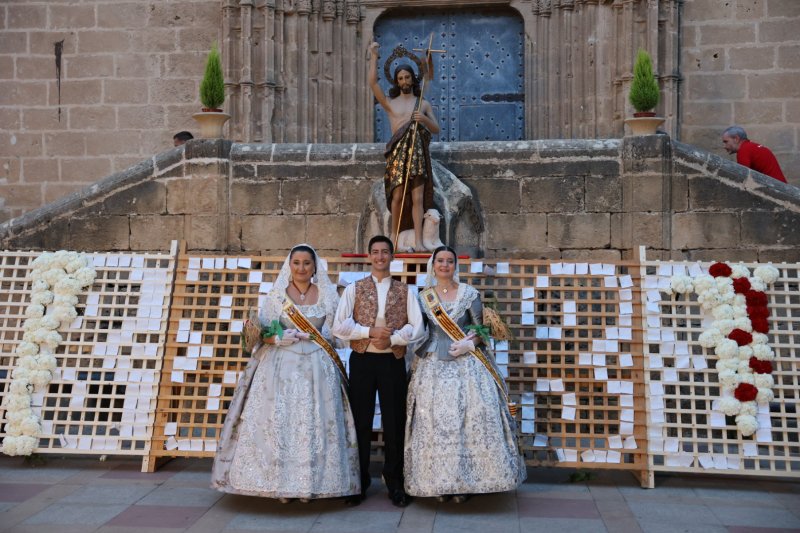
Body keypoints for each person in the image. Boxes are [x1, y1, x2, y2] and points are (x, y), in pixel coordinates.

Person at [211, 244, 360, 502]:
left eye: (307, 263)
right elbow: (262, 334)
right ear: (289, 266)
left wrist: (327, 337)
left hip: (318, 368)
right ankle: (280, 484)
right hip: (280, 369)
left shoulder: (326, 294)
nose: (302, 268)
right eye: (297, 263)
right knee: (280, 424)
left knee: (313, 424)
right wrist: (277, 338)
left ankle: (310, 484)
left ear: (315, 267)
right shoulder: (277, 296)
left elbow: (335, 335)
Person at [405, 246, 526, 502]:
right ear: (433, 264)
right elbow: (418, 331)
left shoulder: (470, 294)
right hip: (434, 366)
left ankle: (467, 483)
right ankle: (438, 482)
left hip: (468, 367)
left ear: (455, 265)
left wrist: (470, 343)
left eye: (449, 261)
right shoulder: (423, 297)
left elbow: (482, 330)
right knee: (436, 423)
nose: (445, 265)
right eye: (440, 261)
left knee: (469, 421)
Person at [332, 235, 425, 507]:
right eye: (375, 252)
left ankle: (394, 480)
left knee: (394, 422)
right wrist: (368, 331)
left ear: (392, 256)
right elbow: (340, 326)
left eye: (385, 252)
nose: (380, 256)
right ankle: (359, 481)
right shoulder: (354, 289)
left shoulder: (406, 291)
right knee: (361, 420)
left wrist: (393, 338)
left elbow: (417, 328)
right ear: (369, 256)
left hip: (392, 361)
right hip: (362, 360)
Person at [368, 42, 441, 252]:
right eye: (400, 78)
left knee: (418, 198)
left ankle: (418, 241)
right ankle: (392, 237)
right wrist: (373, 56)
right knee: (398, 196)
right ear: (396, 81)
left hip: (417, 154)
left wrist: (423, 120)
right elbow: (373, 84)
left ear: (413, 79)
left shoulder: (422, 103)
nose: (404, 81)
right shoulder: (391, 103)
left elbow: (435, 128)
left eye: (407, 77)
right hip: (398, 154)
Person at [721, 126, 787, 183]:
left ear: (736, 139)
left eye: (726, 142)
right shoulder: (751, 147)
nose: (724, 146)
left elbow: (742, 178)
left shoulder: (744, 150)